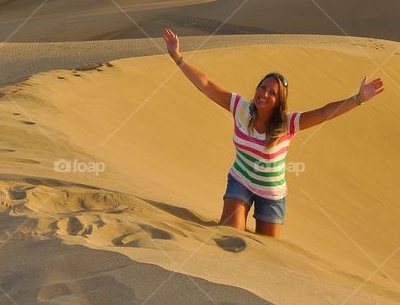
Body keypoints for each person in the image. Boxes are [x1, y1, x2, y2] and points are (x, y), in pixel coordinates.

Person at [162, 28, 384, 238]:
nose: (264, 94)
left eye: (271, 92)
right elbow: (207, 84)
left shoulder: (288, 124)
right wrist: (178, 57)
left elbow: (324, 112)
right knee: (229, 236)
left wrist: (357, 99)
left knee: (266, 251)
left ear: (279, 101)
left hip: (272, 194)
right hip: (240, 180)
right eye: (262, 88)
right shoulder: (240, 108)